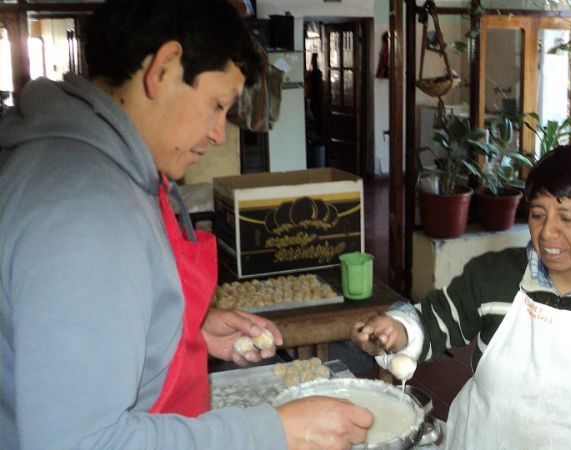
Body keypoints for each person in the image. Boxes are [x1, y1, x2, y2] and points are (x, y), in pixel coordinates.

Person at [0, 1, 371, 449]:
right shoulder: (85, 209)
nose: (218, 132)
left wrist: (178, 333)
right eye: (216, 105)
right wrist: (273, 432)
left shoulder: (96, 165)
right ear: (164, 69)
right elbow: (80, 442)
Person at [352, 144, 571, 449]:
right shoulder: (496, 277)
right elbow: (433, 321)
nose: (547, 232)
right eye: (537, 214)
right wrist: (397, 330)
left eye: (566, 217)